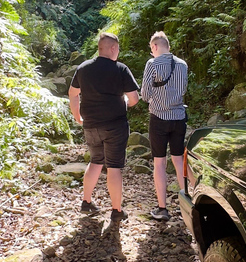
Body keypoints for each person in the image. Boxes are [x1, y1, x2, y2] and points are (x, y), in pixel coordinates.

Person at [69, 32, 140, 221]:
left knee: (95, 161)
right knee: (114, 167)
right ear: (113, 48)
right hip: (115, 126)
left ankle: (86, 202)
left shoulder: (83, 68)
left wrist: (77, 116)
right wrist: (125, 102)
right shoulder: (121, 69)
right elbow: (134, 98)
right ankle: (116, 211)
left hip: (91, 124)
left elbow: (73, 93)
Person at [141, 32, 190, 222]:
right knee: (178, 160)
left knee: (159, 162)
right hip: (178, 118)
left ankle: (162, 208)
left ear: (154, 47)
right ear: (167, 46)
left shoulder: (152, 64)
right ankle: (187, 205)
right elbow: (183, 90)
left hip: (159, 119)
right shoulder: (183, 64)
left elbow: (145, 95)